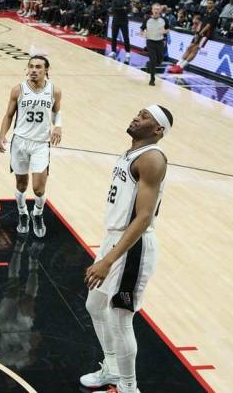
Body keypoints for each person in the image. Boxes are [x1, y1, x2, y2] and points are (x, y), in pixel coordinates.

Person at [81, 105, 172, 393]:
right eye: (139, 113)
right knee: (94, 304)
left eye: (145, 117)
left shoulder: (152, 159)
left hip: (133, 248)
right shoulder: (132, 153)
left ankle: (128, 388)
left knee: (121, 318)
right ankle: (112, 370)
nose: (136, 117)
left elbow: (144, 217)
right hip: (115, 240)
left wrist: (108, 260)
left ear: (158, 131)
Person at [0, 55, 63, 238]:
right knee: (21, 184)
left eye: (38, 67)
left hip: (41, 144)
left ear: (46, 70)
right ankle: (23, 212)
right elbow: (9, 115)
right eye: (31, 66)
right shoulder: (18, 90)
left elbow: (57, 111)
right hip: (20, 142)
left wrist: (58, 126)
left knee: (38, 189)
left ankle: (38, 214)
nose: (34, 70)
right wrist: (2, 135)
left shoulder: (54, 91)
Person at [167, 0, 218, 73]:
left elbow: (208, 25)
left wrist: (201, 33)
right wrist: (197, 32)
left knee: (194, 49)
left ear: (213, 4)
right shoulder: (206, 11)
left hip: (206, 34)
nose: (209, 4)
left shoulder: (215, 13)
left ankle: (181, 67)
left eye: (210, 3)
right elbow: (202, 22)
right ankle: (177, 65)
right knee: (189, 48)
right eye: (208, 3)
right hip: (199, 32)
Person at [140, 3, 169, 86]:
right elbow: (141, 29)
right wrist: (143, 34)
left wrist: (164, 32)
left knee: (159, 61)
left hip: (160, 42)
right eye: (155, 9)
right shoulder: (147, 19)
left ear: (160, 10)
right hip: (150, 42)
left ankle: (151, 64)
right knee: (153, 60)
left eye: (158, 9)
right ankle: (152, 79)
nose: (156, 10)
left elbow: (167, 29)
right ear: (152, 10)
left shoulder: (164, 20)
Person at [108, 0, 132, 64]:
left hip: (124, 21)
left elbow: (129, 9)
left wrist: (122, 9)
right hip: (116, 20)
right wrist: (122, 8)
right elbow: (113, 9)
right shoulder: (115, 0)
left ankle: (127, 52)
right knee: (114, 36)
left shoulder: (127, 0)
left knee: (126, 37)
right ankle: (113, 51)